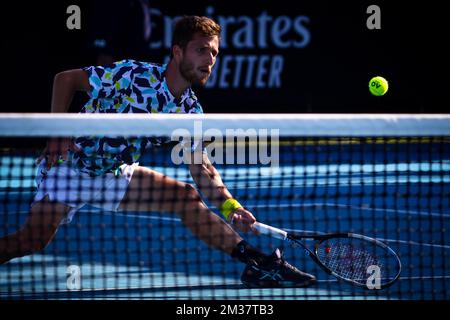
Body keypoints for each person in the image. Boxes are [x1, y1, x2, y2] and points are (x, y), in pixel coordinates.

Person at [0, 16, 316, 288]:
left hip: (113, 174)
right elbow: (66, 79)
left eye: (214, 53)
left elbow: (202, 169)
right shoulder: (133, 75)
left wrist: (230, 206)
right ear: (177, 52)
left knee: (186, 197)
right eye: (201, 50)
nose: (210, 59)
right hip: (71, 168)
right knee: (31, 241)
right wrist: (58, 131)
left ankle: (257, 263)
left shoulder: (191, 111)